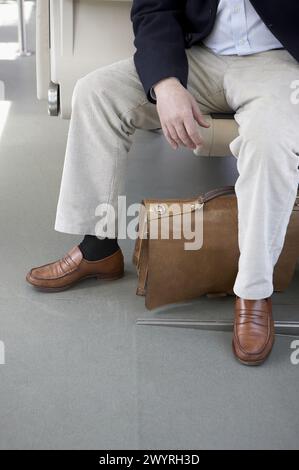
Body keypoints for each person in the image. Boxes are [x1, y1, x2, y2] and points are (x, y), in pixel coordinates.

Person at [27, 0, 299, 366]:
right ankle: (98, 249)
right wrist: (166, 83)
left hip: (277, 60)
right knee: (97, 92)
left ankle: (254, 292)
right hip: (199, 56)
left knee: (270, 142)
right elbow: (153, 8)